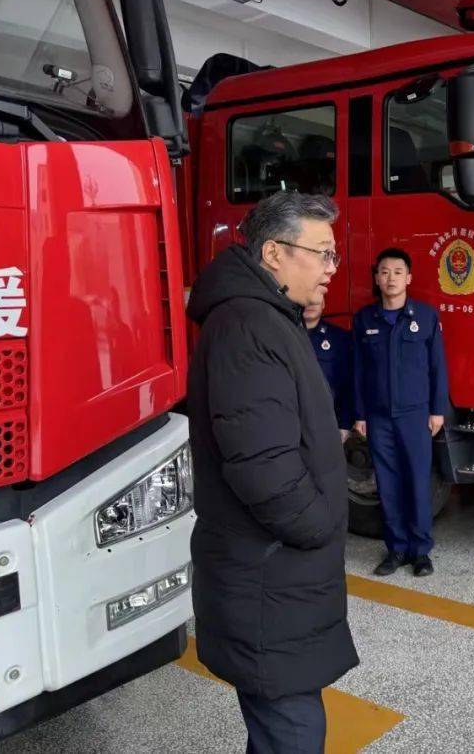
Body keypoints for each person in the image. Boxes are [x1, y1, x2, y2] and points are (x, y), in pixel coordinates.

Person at [186, 191, 357, 754]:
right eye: (324, 253)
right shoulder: (249, 325)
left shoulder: (266, 316)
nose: (334, 268)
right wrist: (318, 524)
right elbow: (261, 464)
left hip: (274, 577)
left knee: (283, 727)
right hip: (268, 575)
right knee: (293, 732)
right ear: (274, 253)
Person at [353, 248, 449, 577]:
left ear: (408, 278)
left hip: (415, 415)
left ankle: (420, 552)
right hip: (378, 418)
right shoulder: (365, 319)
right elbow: (358, 371)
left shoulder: (425, 316)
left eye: (397, 272)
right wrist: (360, 413)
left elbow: (438, 368)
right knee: (388, 485)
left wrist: (438, 410)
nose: (390, 278)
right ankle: (395, 550)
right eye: (384, 272)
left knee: (418, 483)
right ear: (376, 278)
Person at [304, 300, 353, 443]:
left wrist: (344, 424)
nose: (311, 305)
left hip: (328, 422)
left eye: (316, 302)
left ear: (324, 304)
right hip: (290, 420)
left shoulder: (340, 338)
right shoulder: (283, 335)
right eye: (307, 301)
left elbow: (347, 384)